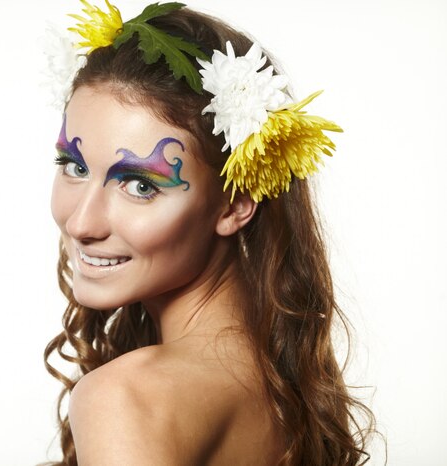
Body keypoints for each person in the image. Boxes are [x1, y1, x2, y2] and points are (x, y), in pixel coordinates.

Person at [43, 1, 375, 464]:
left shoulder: (127, 398)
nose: (80, 222)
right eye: (74, 166)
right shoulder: (283, 390)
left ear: (236, 203)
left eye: (140, 185)